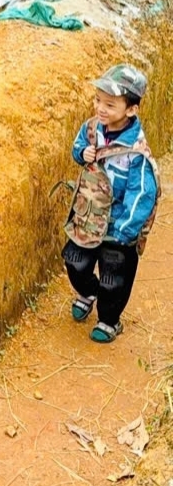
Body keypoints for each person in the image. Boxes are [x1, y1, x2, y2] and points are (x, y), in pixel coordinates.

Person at [62, 65, 160, 342]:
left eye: (109, 104)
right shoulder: (93, 129)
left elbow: (142, 193)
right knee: (75, 260)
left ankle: (109, 320)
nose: (100, 109)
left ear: (131, 110)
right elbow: (77, 146)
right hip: (88, 216)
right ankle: (87, 291)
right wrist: (82, 152)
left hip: (118, 226)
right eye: (98, 100)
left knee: (113, 274)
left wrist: (124, 232)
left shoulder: (136, 152)